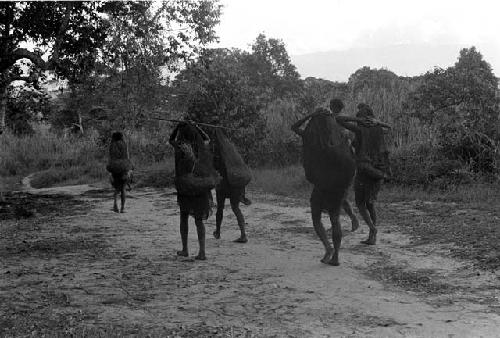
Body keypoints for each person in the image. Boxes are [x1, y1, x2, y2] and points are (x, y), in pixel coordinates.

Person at [292, 106, 356, 266]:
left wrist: (310, 115)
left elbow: (294, 127)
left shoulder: (313, 138)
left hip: (321, 185)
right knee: (335, 220)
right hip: (338, 186)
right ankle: (336, 257)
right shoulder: (340, 138)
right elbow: (350, 158)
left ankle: (328, 247)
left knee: (316, 218)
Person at [336, 103, 391, 245]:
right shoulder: (378, 129)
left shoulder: (359, 129)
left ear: (361, 117)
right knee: (370, 203)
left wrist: (358, 121)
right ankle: (372, 236)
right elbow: (390, 128)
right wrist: (378, 122)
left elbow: (340, 119)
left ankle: (372, 229)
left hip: (364, 168)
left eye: (359, 115)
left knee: (360, 204)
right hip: (378, 169)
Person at [169, 122, 214, 260]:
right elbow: (207, 139)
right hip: (199, 186)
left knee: (184, 217)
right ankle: (202, 252)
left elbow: (170, 140)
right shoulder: (199, 147)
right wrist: (197, 127)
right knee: (199, 220)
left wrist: (177, 127)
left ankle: (185, 249)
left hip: (185, 187)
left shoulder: (180, 146)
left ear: (182, 133)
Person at [212, 129, 250, 243]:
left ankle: (218, 232)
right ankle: (243, 234)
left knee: (220, 208)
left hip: (223, 185)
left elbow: (214, 168)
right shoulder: (233, 152)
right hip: (235, 185)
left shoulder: (218, 155)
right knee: (235, 208)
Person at [329, 98, 360, 232]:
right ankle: (342, 221)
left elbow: (351, 138)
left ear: (335, 106)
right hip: (336, 159)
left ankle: (352, 218)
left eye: (332, 105)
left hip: (343, 161)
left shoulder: (341, 120)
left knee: (339, 195)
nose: (331, 107)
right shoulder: (332, 119)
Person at [106, 131, 133, 213]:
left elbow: (110, 157)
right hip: (124, 167)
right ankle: (122, 208)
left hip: (114, 167)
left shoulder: (112, 145)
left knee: (117, 187)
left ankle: (115, 205)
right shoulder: (124, 144)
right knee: (123, 188)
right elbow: (127, 157)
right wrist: (130, 167)